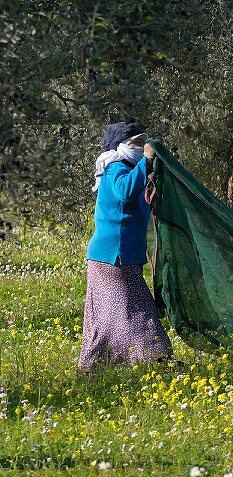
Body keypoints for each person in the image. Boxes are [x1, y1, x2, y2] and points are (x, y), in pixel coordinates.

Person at [78, 121, 174, 372]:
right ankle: (156, 360)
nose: (141, 148)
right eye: (136, 144)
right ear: (120, 146)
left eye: (143, 143)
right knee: (137, 308)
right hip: (112, 256)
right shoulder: (114, 168)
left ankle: (99, 364)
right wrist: (146, 162)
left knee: (113, 313)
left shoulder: (131, 170)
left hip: (117, 256)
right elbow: (125, 191)